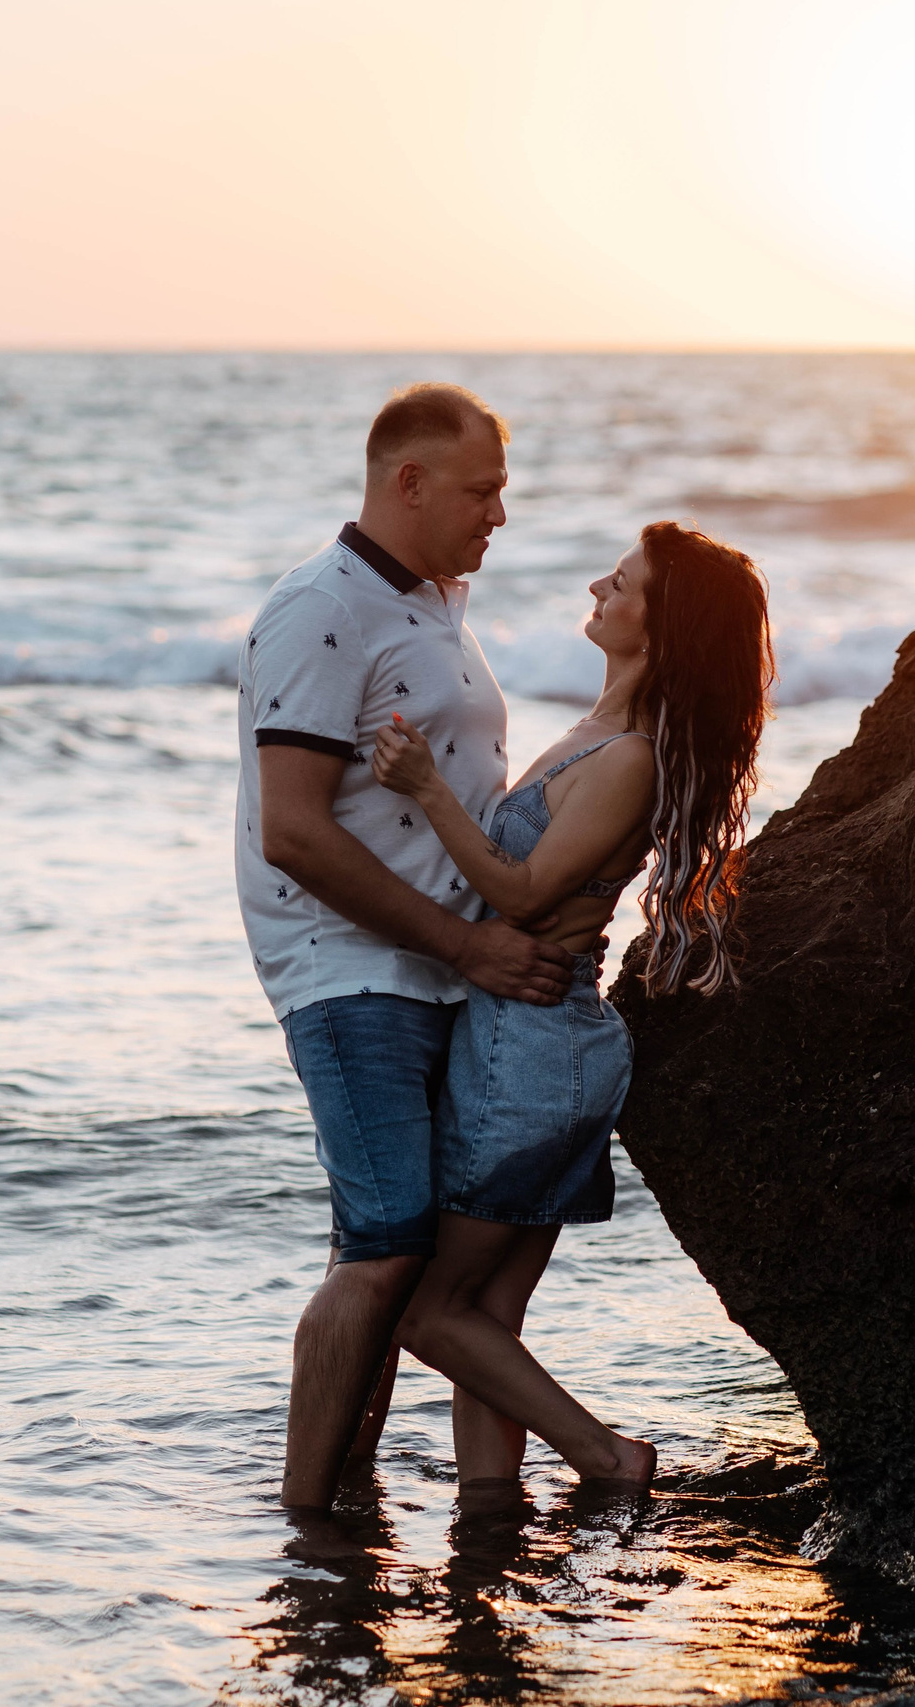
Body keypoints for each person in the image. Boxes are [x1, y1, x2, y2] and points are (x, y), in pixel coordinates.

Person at [369, 520, 773, 1491]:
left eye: (623, 582)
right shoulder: (597, 734)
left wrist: (427, 787)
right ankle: (488, 1520)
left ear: (661, 625)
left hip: (532, 1050)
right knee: (486, 1323)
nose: (598, 584)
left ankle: (606, 1456)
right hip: (536, 1043)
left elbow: (523, 894)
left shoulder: (628, 756)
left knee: (427, 1311)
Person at [237, 383, 576, 1512]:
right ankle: (306, 1522)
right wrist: (467, 949)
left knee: (396, 1251)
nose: (498, 514)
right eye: (482, 491)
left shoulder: (438, 602)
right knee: (383, 1248)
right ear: (408, 481)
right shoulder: (321, 606)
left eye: (504, 492)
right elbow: (291, 828)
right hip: (351, 967)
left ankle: (349, 1497)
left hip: (434, 969)